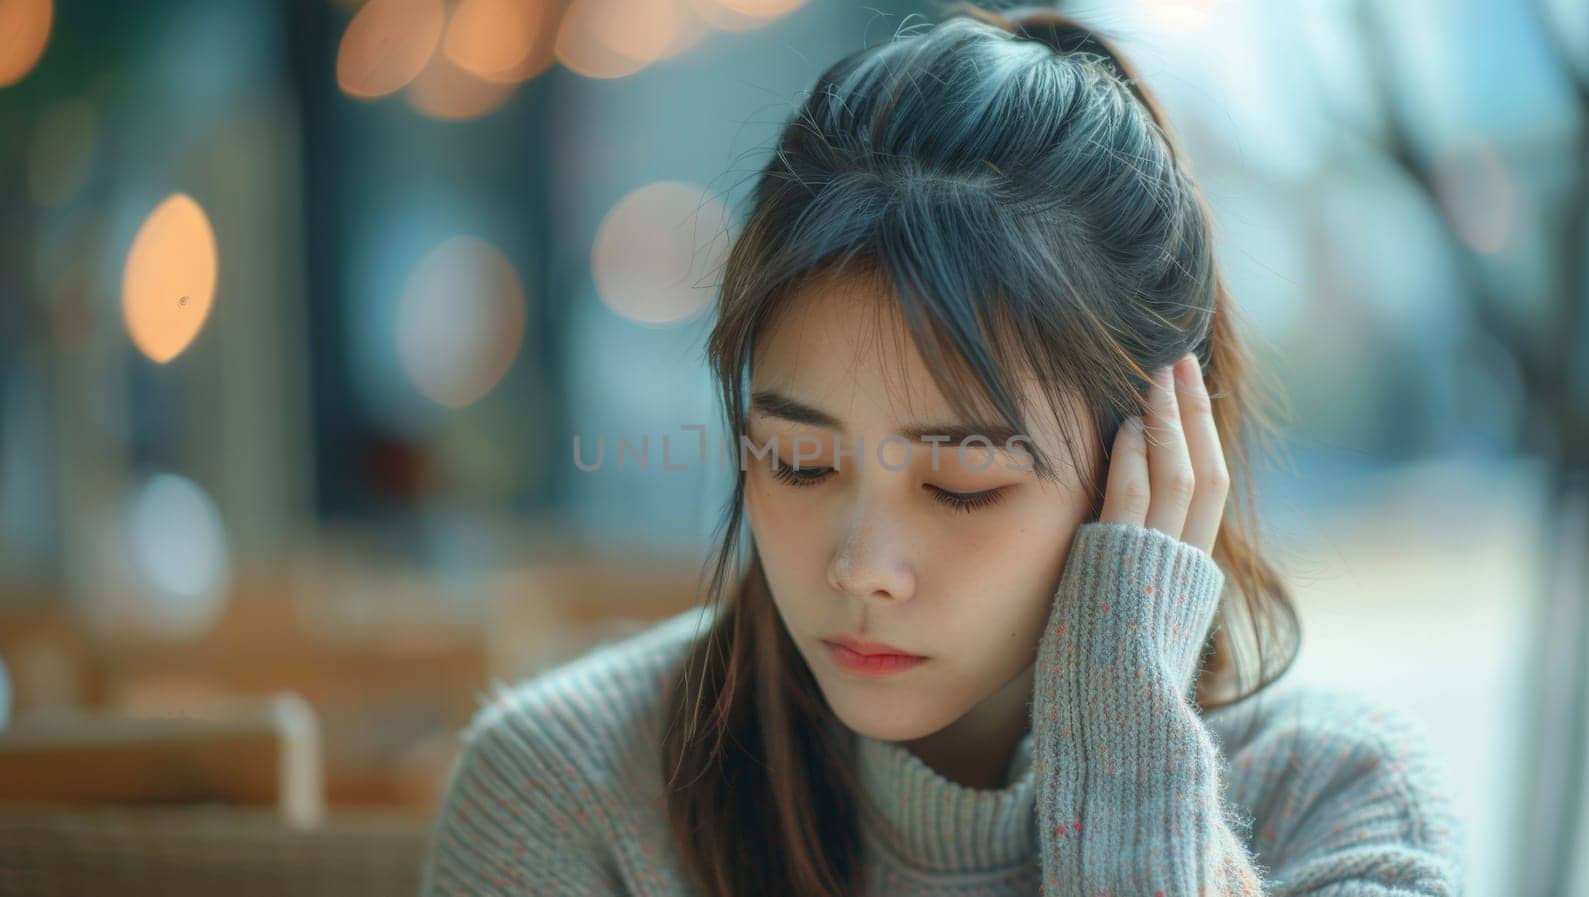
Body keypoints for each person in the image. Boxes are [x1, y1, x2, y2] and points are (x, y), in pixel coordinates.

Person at [419, 5, 1466, 895]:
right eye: (798, 462)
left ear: (1154, 460)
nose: (861, 566)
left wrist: (1125, 753)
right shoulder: (569, 793)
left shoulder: (1341, 804)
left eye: (961, 482)